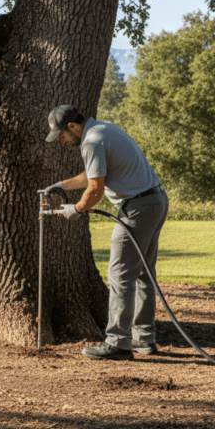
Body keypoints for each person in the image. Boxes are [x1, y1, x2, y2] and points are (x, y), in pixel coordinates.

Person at [43, 104, 169, 361]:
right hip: (155, 200)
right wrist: (60, 185)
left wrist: (76, 209)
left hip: (137, 208)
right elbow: (93, 174)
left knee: (120, 273)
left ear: (73, 127)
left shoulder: (91, 141)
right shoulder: (104, 129)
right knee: (143, 272)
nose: (63, 141)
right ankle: (144, 338)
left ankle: (118, 342)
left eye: (63, 135)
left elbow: (95, 189)